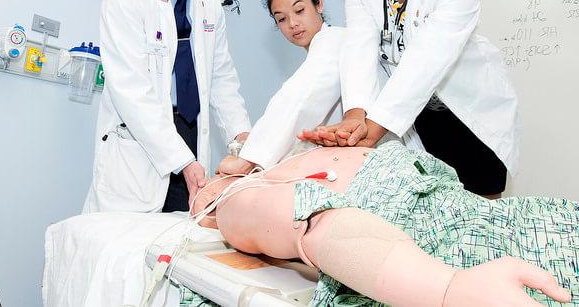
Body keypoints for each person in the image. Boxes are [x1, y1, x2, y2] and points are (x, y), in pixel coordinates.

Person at [300, 0, 519, 199]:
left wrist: (371, 129)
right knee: (435, 218)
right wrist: (354, 116)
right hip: (415, 116)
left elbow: (429, 58)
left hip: (471, 116)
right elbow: (358, 52)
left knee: (482, 220)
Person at [193, 141, 578, 306]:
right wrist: (448, 287)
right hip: (470, 259)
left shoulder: (282, 163)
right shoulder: (235, 203)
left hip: (519, 220)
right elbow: (321, 227)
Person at [83, 0, 251, 214]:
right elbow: (130, 91)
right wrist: (182, 160)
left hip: (190, 139)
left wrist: (243, 138)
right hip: (140, 145)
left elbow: (222, 79)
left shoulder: (209, 2)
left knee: (170, 253)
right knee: (126, 253)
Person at [218, 0, 422, 176]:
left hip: (389, 163)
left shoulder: (335, 40)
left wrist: (249, 159)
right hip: (364, 162)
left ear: (319, 4)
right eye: (281, 19)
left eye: (299, 10)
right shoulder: (320, 54)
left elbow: (297, 100)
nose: (293, 23)